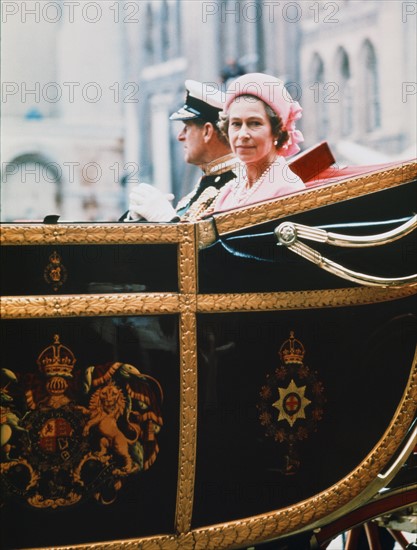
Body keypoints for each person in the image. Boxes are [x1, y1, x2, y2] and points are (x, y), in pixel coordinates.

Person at [123, 80, 237, 222]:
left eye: (187, 127)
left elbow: (211, 243)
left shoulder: (238, 185)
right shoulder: (204, 185)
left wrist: (169, 220)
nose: (180, 136)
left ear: (207, 131)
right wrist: (139, 221)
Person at [208, 72, 305, 213]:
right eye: (236, 124)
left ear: (277, 130)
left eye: (254, 123)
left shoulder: (287, 192)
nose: (243, 134)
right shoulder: (230, 190)